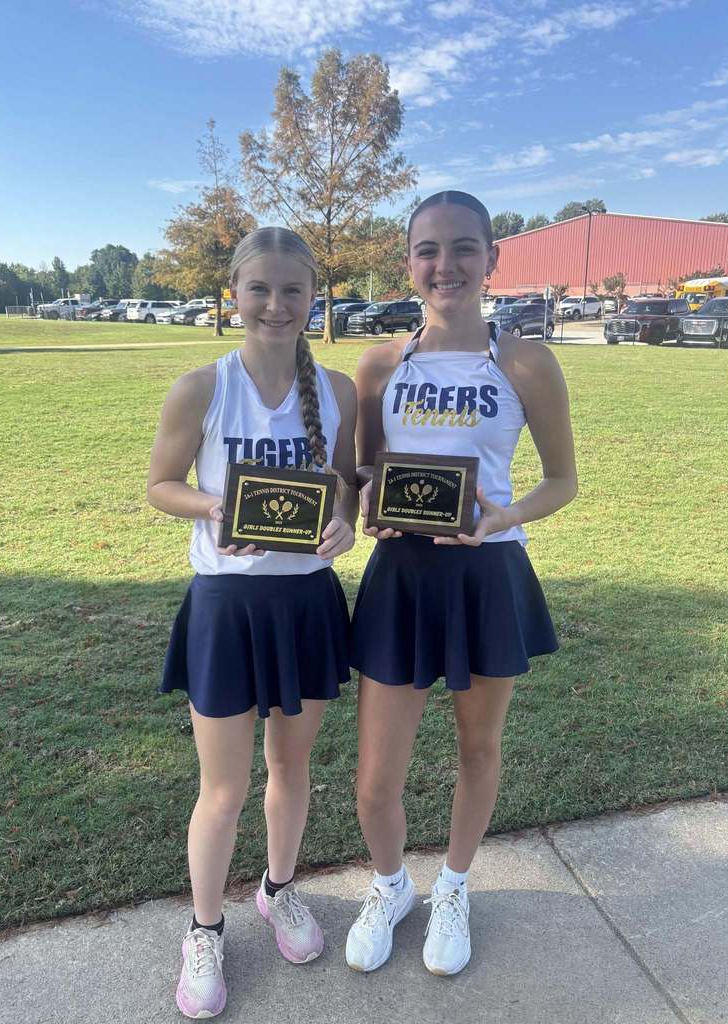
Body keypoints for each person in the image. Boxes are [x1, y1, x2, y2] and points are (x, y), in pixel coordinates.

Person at [346, 191, 577, 977]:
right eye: (429, 250)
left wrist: (501, 515)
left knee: (478, 748)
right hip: (403, 577)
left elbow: (562, 481)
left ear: (491, 260)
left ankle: (452, 886)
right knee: (376, 778)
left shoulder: (525, 361)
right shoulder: (380, 363)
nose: (446, 265)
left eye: (463, 248)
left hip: (486, 572)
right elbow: (364, 471)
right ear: (408, 262)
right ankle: (389, 887)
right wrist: (368, 499)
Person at [147, 226, 358, 1019]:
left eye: (292, 290)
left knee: (291, 771)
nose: (275, 304)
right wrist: (212, 505)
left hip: (305, 604)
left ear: (313, 296)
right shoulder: (201, 386)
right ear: (233, 293)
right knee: (224, 788)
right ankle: (204, 930)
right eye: (260, 289)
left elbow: (346, 481)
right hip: (227, 606)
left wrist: (345, 518)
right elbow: (161, 485)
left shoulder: (336, 389)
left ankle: (279, 891)